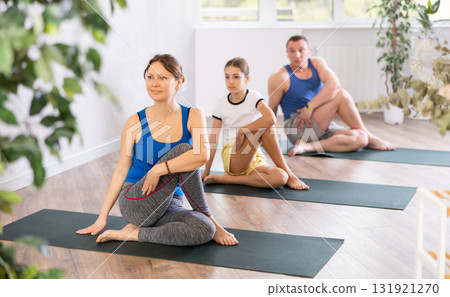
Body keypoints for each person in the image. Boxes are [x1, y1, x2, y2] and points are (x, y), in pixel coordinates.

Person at [77, 54, 238, 246]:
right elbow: (121, 171)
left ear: (179, 82)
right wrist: (102, 217)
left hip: (170, 205)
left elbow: (202, 155)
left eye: (163, 78)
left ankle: (134, 234)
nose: (154, 83)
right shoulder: (134, 122)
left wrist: (158, 169)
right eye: (150, 77)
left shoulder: (193, 115)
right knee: (184, 150)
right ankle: (212, 219)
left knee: (204, 229)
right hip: (136, 201)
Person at [268, 35, 396, 156]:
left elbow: (334, 85)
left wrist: (310, 107)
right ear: (287, 53)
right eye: (292, 51)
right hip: (298, 127)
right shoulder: (280, 77)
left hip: (320, 122)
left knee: (361, 139)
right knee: (342, 95)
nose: (297, 55)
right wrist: (265, 137)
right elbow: (271, 110)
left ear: (309, 51)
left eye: (301, 50)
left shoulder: (317, 64)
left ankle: (308, 147)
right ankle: (371, 137)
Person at [201, 57, 309, 190]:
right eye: (227, 77)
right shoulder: (220, 103)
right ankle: (291, 174)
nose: (231, 81)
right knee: (264, 128)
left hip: (254, 156)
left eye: (236, 77)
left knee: (281, 177)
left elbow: (271, 118)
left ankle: (230, 180)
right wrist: (206, 170)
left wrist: (243, 130)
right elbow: (213, 139)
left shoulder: (254, 96)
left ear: (247, 78)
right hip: (233, 155)